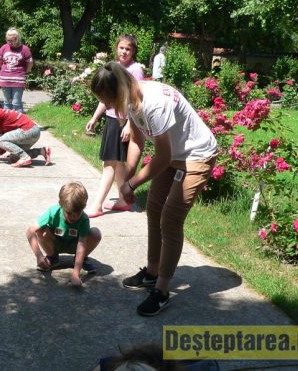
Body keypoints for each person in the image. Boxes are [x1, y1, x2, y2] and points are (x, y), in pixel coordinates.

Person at [90, 62, 217, 316]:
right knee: (154, 209)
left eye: (108, 101)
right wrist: (127, 179)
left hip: (196, 155)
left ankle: (161, 291)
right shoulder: (129, 97)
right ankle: (152, 272)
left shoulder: (154, 103)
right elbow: (137, 141)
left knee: (170, 219)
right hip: (173, 155)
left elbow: (163, 156)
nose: (108, 107)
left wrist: (131, 184)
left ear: (120, 90)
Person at [85, 34, 144, 218]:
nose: (124, 52)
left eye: (128, 49)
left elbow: (136, 100)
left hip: (124, 122)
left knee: (109, 163)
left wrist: (129, 125)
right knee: (117, 163)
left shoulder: (135, 70)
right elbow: (106, 96)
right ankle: (123, 200)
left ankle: (97, 205)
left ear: (133, 51)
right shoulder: (113, 68)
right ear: (116, 48)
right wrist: (95, 117)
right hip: (112, 120)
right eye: (121, 48)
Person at [25, 181, 102, 287]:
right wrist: (39, 256)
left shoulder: (84, 219)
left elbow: (82, 244)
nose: (73, 217)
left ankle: (80, 260)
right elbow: (30, 231)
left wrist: (76, 273)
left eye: (77, 213)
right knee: (41, 230)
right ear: (61, 204)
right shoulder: (53, 212)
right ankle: (52, 258)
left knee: (96, 233)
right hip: (55, 244)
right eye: (69, 213)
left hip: (75, 246)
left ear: (83, 207)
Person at [0, 27, 33, 113]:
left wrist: (26, 71)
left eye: (11, 40)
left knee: (16, 103)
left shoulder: (25, 49)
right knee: (7, 102)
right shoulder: (4, 47)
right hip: (5, 79)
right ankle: (7, 119)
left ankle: (19, 119)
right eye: (7, 40)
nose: (9, 42)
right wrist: (4, 68)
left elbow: (30, 62)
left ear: (17, 39)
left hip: (18, 80)